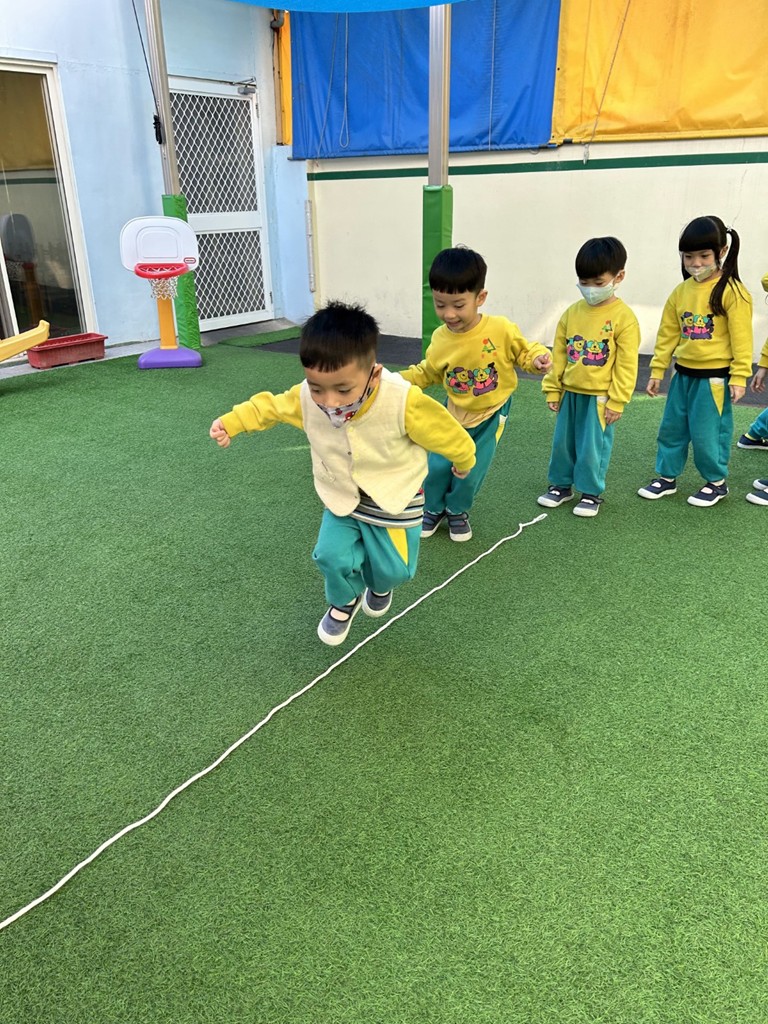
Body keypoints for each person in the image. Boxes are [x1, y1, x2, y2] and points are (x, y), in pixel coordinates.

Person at [209, 301, 476, 647]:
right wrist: (233, 422)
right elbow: (271, 407)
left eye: (343, 389)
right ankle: (344, 600)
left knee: (396, 570)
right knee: (329, 554)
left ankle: (379, 585)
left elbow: (446, 432)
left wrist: (464, 460)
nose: (330, 401)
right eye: (317, 387)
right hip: (342, 494)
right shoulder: (307, 399)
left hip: (396, 497)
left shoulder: (403, 401)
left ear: (373, 375)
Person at [399, 246, 551, 541]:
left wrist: (536, 359)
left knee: (471, 468)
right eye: (440, 304)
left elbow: (524, 351)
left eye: (458, 305)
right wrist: (395, 380)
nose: (449, 314)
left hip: (491, 414)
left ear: (480, 298)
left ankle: (457, 511)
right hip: (454, 410)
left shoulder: (500, 329)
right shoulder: (440, 338)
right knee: (437, 464)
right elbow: (429, 372)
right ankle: (432, 509)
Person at [638, 215, 753, 507]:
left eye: (704, 256)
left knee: (708, 433)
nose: (696, 263)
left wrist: (740, 376)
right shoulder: (681, 291)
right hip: (682, 376)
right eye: (689, 256)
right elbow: (667, 334)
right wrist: (657, 370)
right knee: (672, 429)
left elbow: (742, 339)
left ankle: (716, 483)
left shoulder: (733, 292)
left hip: (713, 380)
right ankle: (667, 477)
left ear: (722, 251)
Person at [537, 236, 640, 517]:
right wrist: (553, 389)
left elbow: (626, 364)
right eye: (584, 282)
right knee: (563, 444)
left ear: (618, 277)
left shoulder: (624, 317)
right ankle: (560, 486)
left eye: (598, 282)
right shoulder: (571, 313)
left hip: (600, 397)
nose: (590, 289)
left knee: (592, 447)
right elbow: (559, 353)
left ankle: (591, 493)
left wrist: (617, 400)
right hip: (570, 393)